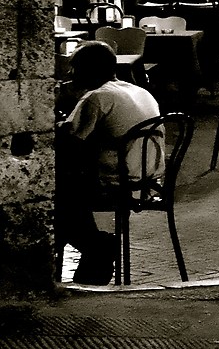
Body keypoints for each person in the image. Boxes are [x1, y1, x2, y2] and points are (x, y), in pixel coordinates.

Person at [53, 41, 161, 284]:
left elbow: (68, 142)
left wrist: (59, 105)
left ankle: (95, 248)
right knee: (66, 191)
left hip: (115, 182)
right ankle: (94, 257)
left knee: (52, 194)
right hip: (147, 179)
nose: (69, 73)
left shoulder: (96, 97)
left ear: (85, 70)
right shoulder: (139, 91)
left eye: (73, 67)